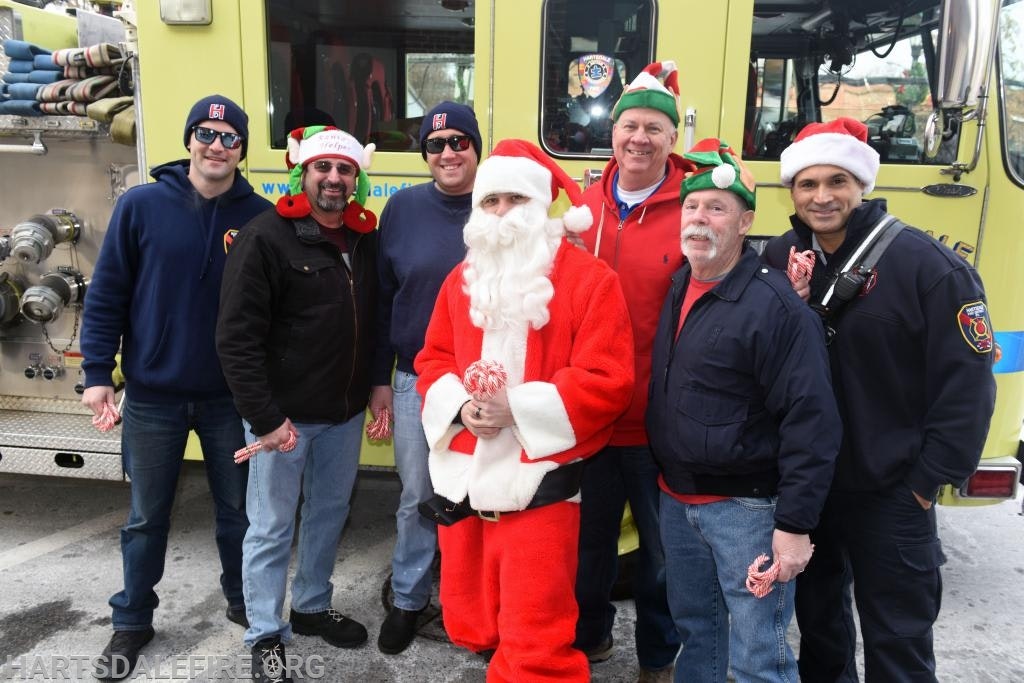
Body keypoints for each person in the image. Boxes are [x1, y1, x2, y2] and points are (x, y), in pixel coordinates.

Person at [762, 117, 997, 681]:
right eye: (808, 184)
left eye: (837, 182)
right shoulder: (778, 257)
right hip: (812, 490)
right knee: (820, 632)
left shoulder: (930, 267)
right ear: (791, 191)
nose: (822, 197)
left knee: (898, 640)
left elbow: (968, 386)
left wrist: (926, 481)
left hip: (893, 492)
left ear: (861, 185)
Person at [414, 139, 634, 681]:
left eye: (516, 197)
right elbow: (433, 359)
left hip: (541, 481)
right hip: (465, 478)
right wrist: (462, 407)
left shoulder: (590, 280)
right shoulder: (460, 280)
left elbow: (607, 379)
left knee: (538, 635)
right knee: (475, 617)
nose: (502, 212)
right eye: (491, 201)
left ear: (541, 206)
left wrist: (516, 409)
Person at [80, 94, 271, 681]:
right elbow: (107, 293)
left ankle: (245, 605)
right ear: (189, 140)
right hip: (153, 397)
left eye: (229, 137)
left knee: (239, 514)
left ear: (241, 148)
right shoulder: (140, 205)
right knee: (145, 518)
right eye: (206, 134)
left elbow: (273, 313)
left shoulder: (261, 217)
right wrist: (95, 375)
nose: (217, 145)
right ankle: (133, 620)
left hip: (229, 401)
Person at [646, 138, 841, 682]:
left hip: (746, 513)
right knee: (698, 635)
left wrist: (795, 526)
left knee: (760, 656)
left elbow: (812, 423)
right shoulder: (682, 282)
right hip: (677, 501)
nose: (700, 218)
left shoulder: (777, 308)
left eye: (717, 207)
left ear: (744, 221)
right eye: (691, 206)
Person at [215, 125, 378, 683]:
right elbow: (235, 339)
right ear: (302, 173)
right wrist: (265, 420)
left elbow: (372, 325)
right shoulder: (265, 237)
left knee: (330, 513)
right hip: (282, 419)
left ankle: (310, 606)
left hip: (344, 414)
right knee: (270, 526)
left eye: (345, 170)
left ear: (357, 179)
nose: (334, 179)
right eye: (323, 168)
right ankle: (265, 633)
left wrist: (375, 386)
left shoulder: (363, 239)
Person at [575, 60, 691, 680]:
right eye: (629, 126)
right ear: (612, 133)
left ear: (673, 139)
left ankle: (656, 658)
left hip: (657, 422)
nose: (639, 139)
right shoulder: (583, 206)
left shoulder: (693, 209)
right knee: (586, 548)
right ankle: (589, 638)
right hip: (590, 420)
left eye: (654, 128)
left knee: (662, 554)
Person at [368, 101, 482, 655]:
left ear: (477, 148)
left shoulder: (499, 204)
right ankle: (410, 599)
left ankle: (480, 609)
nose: (448, 153)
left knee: (486, 495)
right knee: (418, 494)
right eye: (435, 145)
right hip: (418, 380)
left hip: (490, 386)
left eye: (460, 141)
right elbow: (382, 299)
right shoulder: (404, 209)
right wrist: (379, 379)